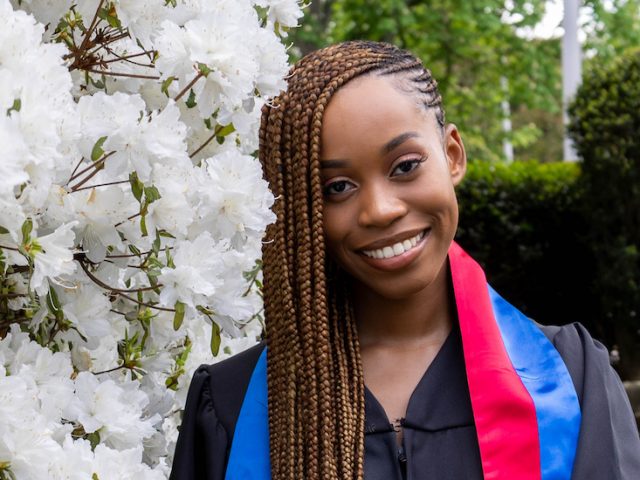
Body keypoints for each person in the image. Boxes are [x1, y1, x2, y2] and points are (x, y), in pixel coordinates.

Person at [169, 41, 640, 480]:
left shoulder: (569, 379)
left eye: (406, 166)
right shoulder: (231, 407)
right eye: (337, 188)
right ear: (300, 208)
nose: (381, 209)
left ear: (452, 155)